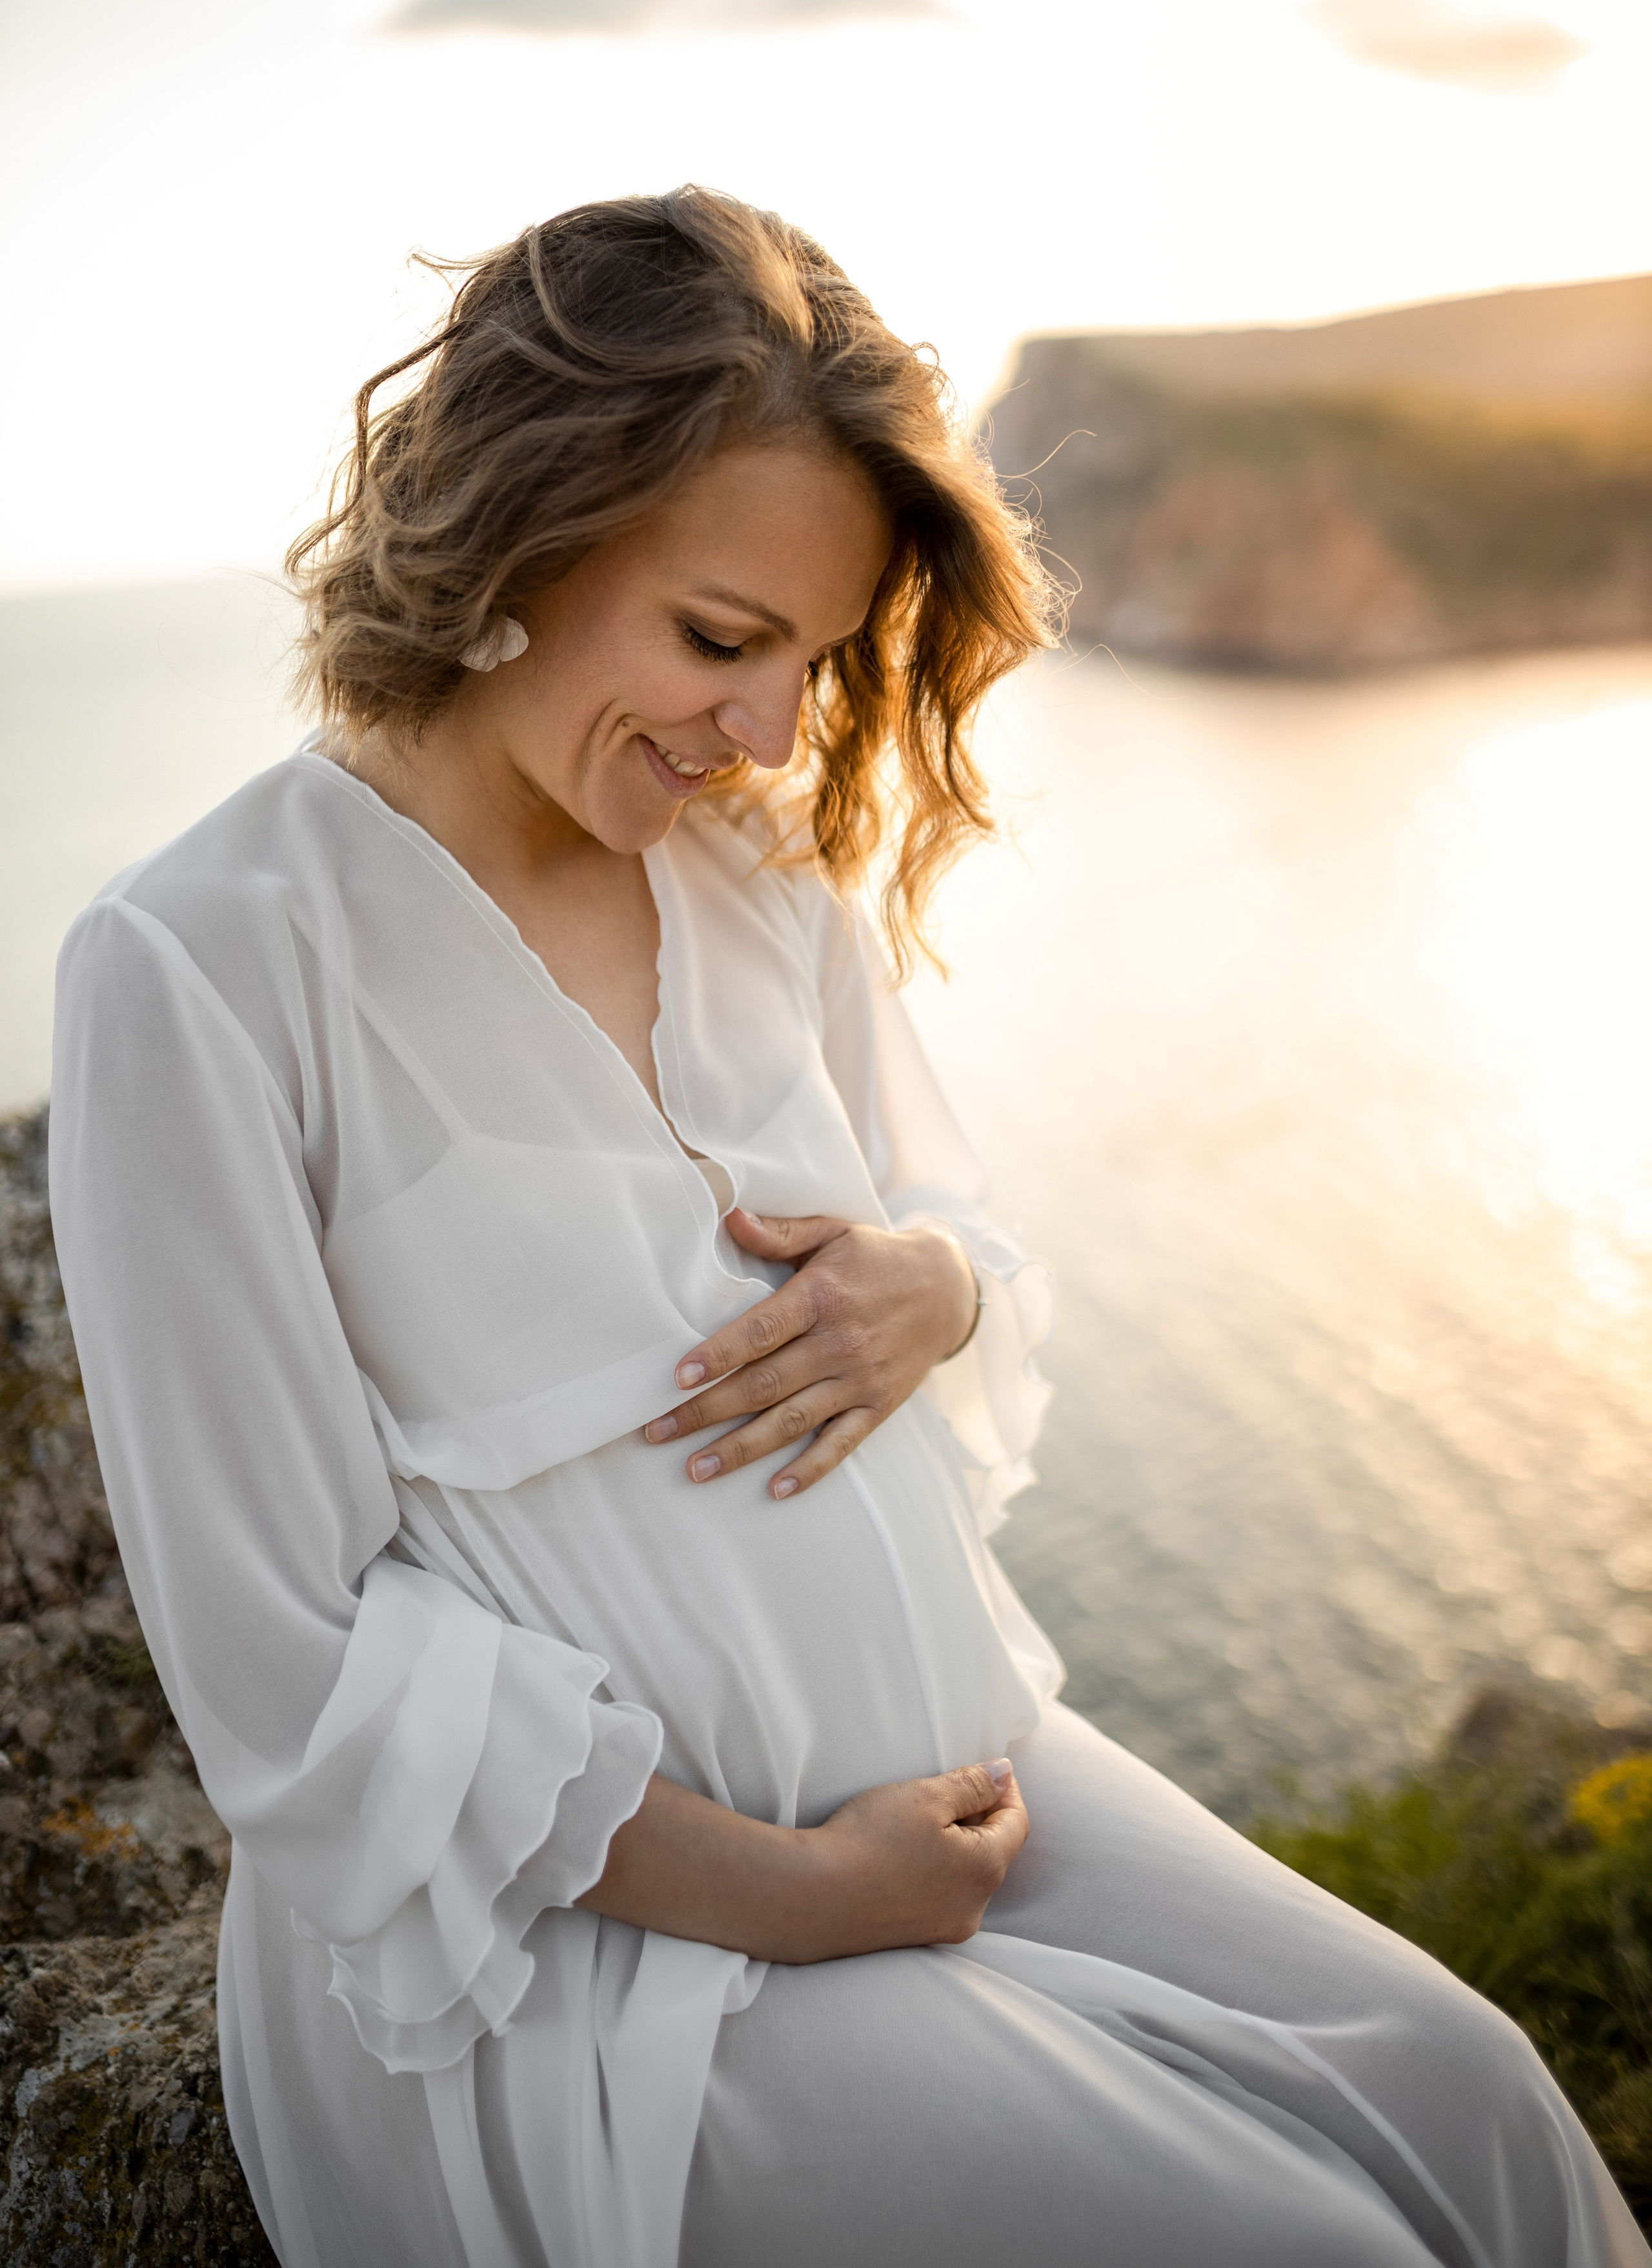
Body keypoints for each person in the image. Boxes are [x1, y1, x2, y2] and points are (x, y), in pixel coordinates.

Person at [49, 188, 1647, 2268]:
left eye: (810, 660)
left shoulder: (751, 874)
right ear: (513, 533)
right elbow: (285, 1662)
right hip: (577, 1951)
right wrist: (801, 1894)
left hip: (952, 1781)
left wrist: (937, 1288)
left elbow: (948, 1218)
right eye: (724, 641)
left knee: (1475, 2099)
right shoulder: (199, 964)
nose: (774, 731)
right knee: (1313, 2246)